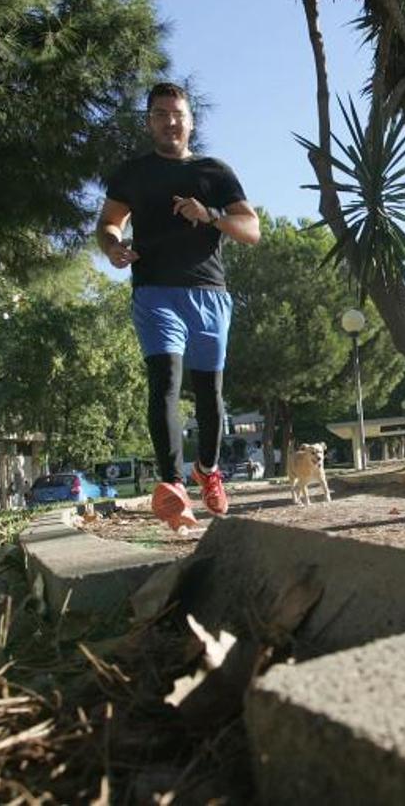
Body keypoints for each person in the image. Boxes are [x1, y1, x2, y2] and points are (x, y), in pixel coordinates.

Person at [97, 82, 260, 533]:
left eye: (177, 114)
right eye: (160, 114)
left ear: (191, 121)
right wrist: (113, 248)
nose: (170, 121)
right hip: (155, 292)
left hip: (209, 293)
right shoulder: (133, 173)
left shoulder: (214, 171)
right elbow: (109, 222)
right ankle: (172, 487)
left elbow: (251, 229)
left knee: (210, 395)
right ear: (150, 121)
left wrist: (209, 215)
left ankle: (207, 471)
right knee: (164, 381)